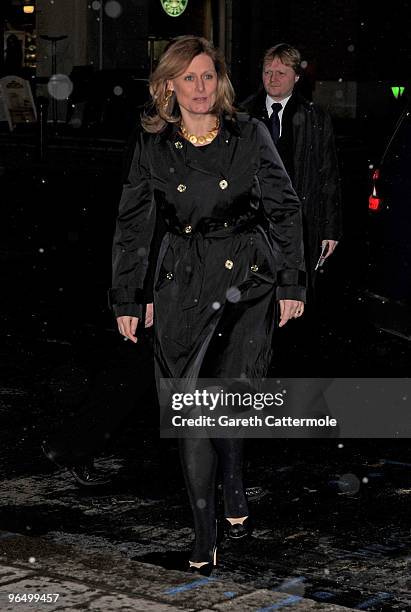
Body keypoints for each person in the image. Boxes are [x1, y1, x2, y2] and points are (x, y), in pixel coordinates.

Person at [109, 35, 305, 575]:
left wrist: (292, 282)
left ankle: (234, 476)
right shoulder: (153, 143)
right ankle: (203, 528)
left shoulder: (249, 134)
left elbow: (284, 209)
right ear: (168, 85)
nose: (199, 88)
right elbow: (134, 227)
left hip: (247, 274)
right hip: (182, 279)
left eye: (207, 76)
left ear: (220, 82)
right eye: (188, 78)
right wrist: (129, 295)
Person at [241, 43, 342, 298]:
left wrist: (330, 229)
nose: (272, 79)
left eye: (281, 73)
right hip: (253, 222)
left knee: (293, 295)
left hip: (298, 222)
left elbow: (327, 175)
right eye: (267, 72)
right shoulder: (242, 115)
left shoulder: (314, 118)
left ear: (296, 77)